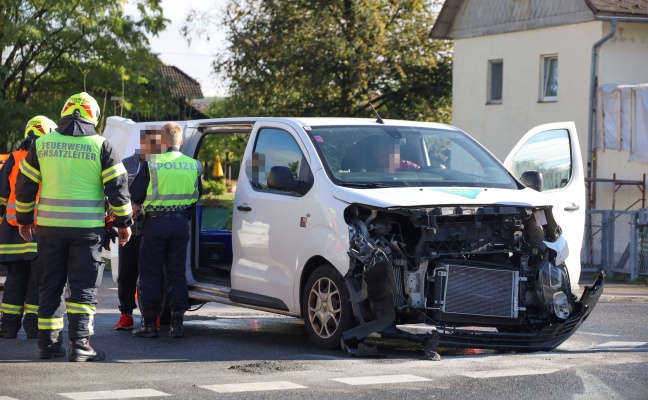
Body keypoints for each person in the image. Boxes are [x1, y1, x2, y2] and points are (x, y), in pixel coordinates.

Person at [15, 92, 133, 361]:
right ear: (94, 116)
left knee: (50, 286)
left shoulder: (42, 144)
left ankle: (47, 344)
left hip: (48, 229)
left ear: (65, 112)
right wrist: (124, 223)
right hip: (87, 230)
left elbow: (24, 187)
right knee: (82, 287)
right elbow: (117, 189)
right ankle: (80, 345)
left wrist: (23, 220)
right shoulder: (102, 145)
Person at [130, 122, 202, 339]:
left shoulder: (152, 162)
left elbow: (137, 194)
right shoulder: (194, 165)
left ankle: (150, 324)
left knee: (151, 272)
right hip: (180, 224)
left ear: (162, 142)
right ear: (181, 142)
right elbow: (198, 193)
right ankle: (177, 324)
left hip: (156, 224)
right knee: (176, 272)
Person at [0, 116, 61, 339]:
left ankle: (8, 328)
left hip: (13, 231)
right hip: (40, 230)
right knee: (38, 281)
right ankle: (34, 328)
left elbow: (2, 193)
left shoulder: (14, 158)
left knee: (14, 280)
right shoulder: (49, 158)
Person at [113, 128, 162, 330]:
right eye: (152, 144)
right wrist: (130, 206)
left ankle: (153, 316)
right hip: (130, 227)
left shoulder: (162, 165)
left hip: (153, 227)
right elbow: (116, 192)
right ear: (143, 144)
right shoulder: (125, 164)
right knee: (126, 273)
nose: (156, 149)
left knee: (152, 273)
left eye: (158, 145)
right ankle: (126, 315)